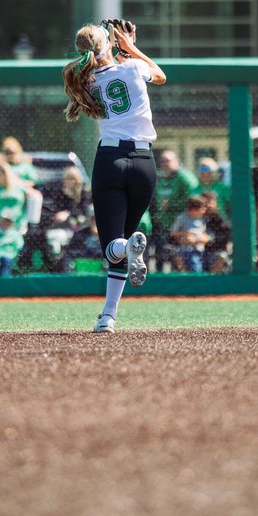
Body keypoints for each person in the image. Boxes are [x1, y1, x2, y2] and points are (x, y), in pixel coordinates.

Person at [62, 18, 166, 333]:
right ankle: (108, 316)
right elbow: (160, 76)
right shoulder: (133, 67)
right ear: (108, 44)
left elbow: (107, 69)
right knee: (124, 241)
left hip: (111, 159)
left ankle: (110, 310)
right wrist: (131, 47)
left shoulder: (87, 80)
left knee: (114, 245)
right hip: (144, 162)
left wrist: (119, 50)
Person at [150, 148, 198, 271]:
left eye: (168, 161)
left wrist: (172, 204)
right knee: (160, 257)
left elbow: (193, 199)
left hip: (181, 227)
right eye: (162, 161)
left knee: (178, 259)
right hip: (162, 226)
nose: (164, 164)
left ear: (176, 161)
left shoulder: (185, 177)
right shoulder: (160, 178)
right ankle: (159, 279)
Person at [169, 195, 211, 272]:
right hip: (187, 250)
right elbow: (172, 233)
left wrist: (201, 238)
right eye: (202, 208)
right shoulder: (182, 218)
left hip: (201, 250)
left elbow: (207, 235)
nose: (204, 210)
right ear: (194, 209)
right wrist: (185, 234)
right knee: (195, 266)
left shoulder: (203, 219)